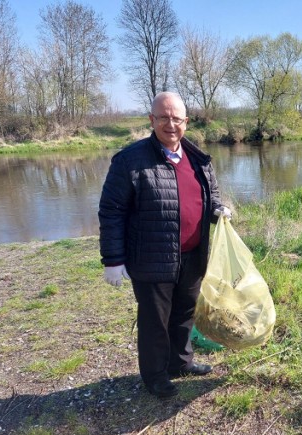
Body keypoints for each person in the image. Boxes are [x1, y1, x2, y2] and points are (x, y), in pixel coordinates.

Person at [98, 91, 231, 398]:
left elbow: (207, 199)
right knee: (155, 320)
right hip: (152, 258)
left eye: (176, 118)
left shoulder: (198, 159)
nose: (170, 124)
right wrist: (113, 260)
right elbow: (111, 211)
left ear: (186, 121)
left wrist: (218, 211)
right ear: (152, 120)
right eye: (163, 117)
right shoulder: (130, 161)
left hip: (192, 255)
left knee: (184, 313)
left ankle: (180, 363)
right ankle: (155, 375)